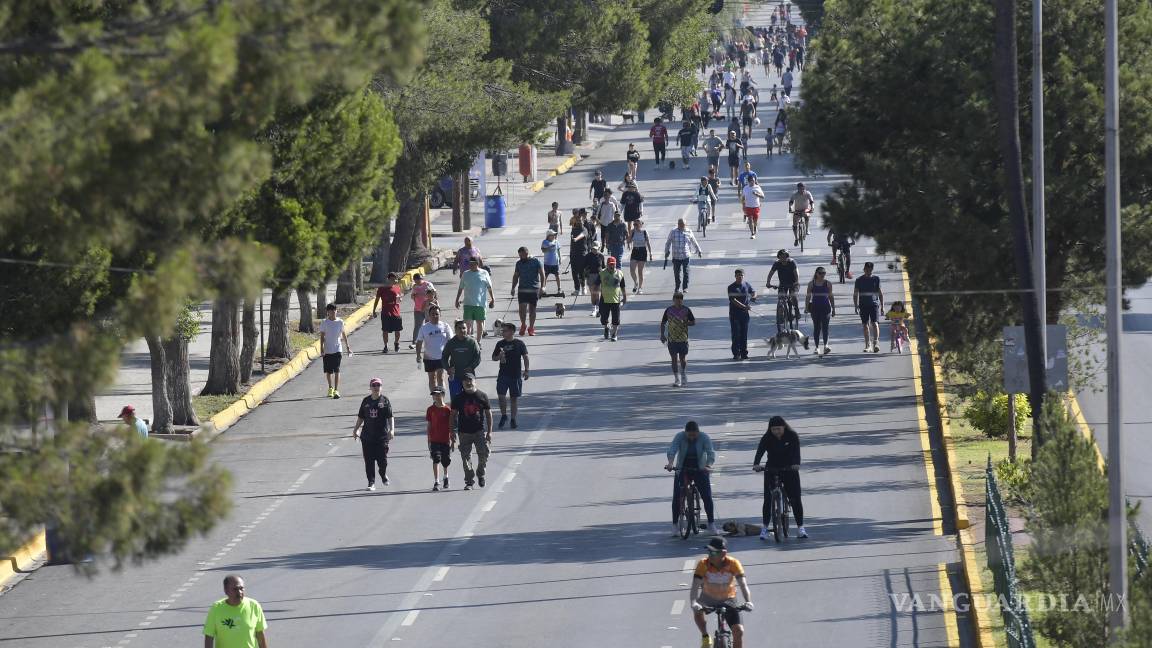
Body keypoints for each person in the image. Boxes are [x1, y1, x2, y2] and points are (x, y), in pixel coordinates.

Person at [689, 537, 754, 648]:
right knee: (697, 610)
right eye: (708, 551)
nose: (709, 554)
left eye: (713, 552)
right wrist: (694, 602)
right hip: (707, 598)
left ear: (723, 553)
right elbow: (695, 586)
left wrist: (748, 601)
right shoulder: (703, 564)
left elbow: (743, 585)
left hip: (729, 599)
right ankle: (705, 637)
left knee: (739, 631)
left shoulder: (733, 563)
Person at [753, 415, 807, 539]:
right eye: (773, 429)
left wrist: (796, 464)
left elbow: (796, 452)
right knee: (767, 499)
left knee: (795, 498)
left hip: (789, 469)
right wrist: (756, 464)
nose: (776, 432)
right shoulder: (767, 438)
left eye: (778, 429)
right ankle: (765, 528)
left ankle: (800, 528)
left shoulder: (792, 436)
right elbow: (760, 451)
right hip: (771, 468)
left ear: (784, 427)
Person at [665, 421, 718, 536]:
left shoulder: (704, 437)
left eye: (694, 435)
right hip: (683, 467)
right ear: (685, 433)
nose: (692, 437)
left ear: (698, 432)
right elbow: (672, 450)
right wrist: (670, 463)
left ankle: (711, 523)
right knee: (678, 495)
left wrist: (708, 465)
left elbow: (710, 452)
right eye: (690, 435)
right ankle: (675, 525)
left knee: (707, 495)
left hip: (700, 467)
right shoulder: (679, 436)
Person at [451, 373, 492, 490]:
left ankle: (481, 473)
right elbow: (452, 415)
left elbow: (489, 415)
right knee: (465, 458)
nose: (468, 383)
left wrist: (489, 432)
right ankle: (469, 481)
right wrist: (452, 432)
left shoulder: (482, 396)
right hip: (464, 433)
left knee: (484, 454)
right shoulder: (458, 398)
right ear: (462, 384)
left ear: (475, 381)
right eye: (465, 381)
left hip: (479, 431)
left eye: (470, 380)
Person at [351, 377, 394, 490]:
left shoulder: (385, 401)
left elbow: (390, 417)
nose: (376, 388)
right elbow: (361, 417)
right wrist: (355, 429)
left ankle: (383, 474)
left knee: (382, 460)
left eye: (378, 385)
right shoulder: (366, 401)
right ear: (370, 388)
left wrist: (392, 429)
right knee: (369, 461)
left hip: (382, 437)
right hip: (367, 437)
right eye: (374, 385)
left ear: (381, 387)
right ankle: (371, 482)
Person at [203, 575, 268, 648]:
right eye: (235, 589)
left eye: (241, 588)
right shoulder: (216, 608)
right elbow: (209, 636)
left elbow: (260, 635)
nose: (239, 592)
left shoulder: (254, 606)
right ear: (226, 590)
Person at [491, 322, 530, 429]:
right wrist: (500, 356)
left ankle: (513, 419)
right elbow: (494, 358)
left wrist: (526, 370)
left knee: (513, 398)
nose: (502, 332)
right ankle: (504, 415)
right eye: (502, 330)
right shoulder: (500, 344)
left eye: (505, 330)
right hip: (503, 374)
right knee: (501, 396)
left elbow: (525, 357)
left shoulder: (519, 343)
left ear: (512, 331)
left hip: (515, 375)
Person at [660, 293, 696, 387]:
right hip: (672, 339)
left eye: (680, 299)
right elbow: (663, 323)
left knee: (682, 359)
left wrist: (686, 323)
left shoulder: (686, 310)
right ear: (673, 300)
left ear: (682, 300)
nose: (678, 301)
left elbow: (693, 322)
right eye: (676, 299)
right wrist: (662, 335)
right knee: (674, 359)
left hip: (683, 338)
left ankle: (683, 373)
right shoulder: (669, 310)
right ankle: (677, 379)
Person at [455, 257, 495, 340]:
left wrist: (492, 299)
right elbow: (461, 288)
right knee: (467, 325)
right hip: (468, 303)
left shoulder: (484, 273)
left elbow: (489, 287)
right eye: (470, 264)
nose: (471, 265)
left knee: (479, 323)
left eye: (473, 264)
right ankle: (468, 341)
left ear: (477, 264)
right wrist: (457, 299)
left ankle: (478, 341)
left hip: (480, 303)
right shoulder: (465, 274)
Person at [318, 303, 352, 399]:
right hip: (327, 350)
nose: (333, 312)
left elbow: (344, 334)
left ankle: (336, 390)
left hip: (338, 349)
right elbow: (322, 336)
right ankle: (330, 388)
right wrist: (321, 348)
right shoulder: (324, 322)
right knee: (328, 372)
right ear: (327, 312)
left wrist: (348, 347)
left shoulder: (340, 322)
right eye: (331, 310)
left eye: (335, 310)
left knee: (337, 369)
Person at [415, 305, 451, 392]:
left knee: (441, 378)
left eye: (437, 314)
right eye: (432, 314)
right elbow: (419, 342)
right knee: (432, 378)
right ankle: (435, 398)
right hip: (429, 357)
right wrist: (418, 355)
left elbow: (451, 341)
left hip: (442, 357)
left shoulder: (445, 326)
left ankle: (441, 396)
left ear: (440, 315)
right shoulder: (424, 328)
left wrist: (451, 354)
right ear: (429, 315)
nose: (435, 316)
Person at [510, 247, 544, 336]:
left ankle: (531, 328)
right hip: (522, 289)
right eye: (520, 255)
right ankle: (523, 324)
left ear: (527, 253)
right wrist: (513, 288)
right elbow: (516, 276)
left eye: (522, 255)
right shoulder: (519, 263)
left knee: (532, 310)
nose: (521, 257)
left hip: (534, 289)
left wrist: (543, 287)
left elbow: (542, 274)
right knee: (522, 310)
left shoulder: (536, 261)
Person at [664, 218, 704, 294]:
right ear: (678, 224)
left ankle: (685, 287)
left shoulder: (689, 232)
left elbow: (694, 241)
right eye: (680, 224)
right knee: (677, 273)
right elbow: (668, 242)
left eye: (683, 225)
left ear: (686, 225)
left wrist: (699, 251)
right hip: (676, 256)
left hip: (686, 255)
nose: (681, 226)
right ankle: (677, 287)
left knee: (686, 272)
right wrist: (666, 251)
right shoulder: (673, 232)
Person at [426, 387, 454, 491]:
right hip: (434, 439)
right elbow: (429, 425)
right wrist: (428, 439)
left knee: (445, 461)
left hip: (445, 439)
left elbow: (451, 425)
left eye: (438, 394)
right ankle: (436, 481)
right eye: (434, 395)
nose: (436, 397)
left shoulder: (448, 409)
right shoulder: (430, 409)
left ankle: (446, 477)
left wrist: (453, 440)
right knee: (436, 459)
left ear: (443, 395)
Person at [765, 250, 800, 333]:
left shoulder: (792, 262)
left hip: (793, 283)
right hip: (783, 284)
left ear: (787, 257)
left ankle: (797, 310)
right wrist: (768, 282)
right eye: (781, 257)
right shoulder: (777, 263)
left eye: (785, 256)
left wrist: (796, 281)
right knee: (781, 299)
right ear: (779, 257)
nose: (783, 258)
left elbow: (796, 273)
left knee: (793, 295)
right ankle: (781, 316)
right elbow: (771, 273)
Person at [853, 261, 884, 353]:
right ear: (864, 269)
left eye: (870, 270)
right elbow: (855, 294)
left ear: (872, 270)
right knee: (865, 325)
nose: (868, 271)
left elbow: (880, 293)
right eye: (866, 269)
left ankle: (876, 343)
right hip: (863, 305)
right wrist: (856, 306)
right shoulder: (859, 280)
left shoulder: (876, 279)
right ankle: (868, 345)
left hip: (874, 304)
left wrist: (882, 306)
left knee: (875, 323)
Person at [805, 267, 836, 355]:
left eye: (824, 273)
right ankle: (817, 347)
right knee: (817, 328)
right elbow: (808, 296)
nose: (822, 275)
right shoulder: (811, 284)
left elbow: (831, 297)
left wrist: (833, 309)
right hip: (815, 308)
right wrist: (806, 308)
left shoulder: (828, 283)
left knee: (825, 327)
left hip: (826, 308)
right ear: (816, 274)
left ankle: (826, 346)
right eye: (820, 273)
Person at [371, 272, 403, 354]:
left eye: (394, 279)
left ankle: (396, 343)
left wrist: (400, 299)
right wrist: (374, 310)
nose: (393, 281)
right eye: (391, 279)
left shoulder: (397, 288)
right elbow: (377, 299)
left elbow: (399, 299)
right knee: (385, 330)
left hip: (396, 312)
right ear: (387, 279)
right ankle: (385, 346)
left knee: (398, 330)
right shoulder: (382, 288)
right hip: (385, 312)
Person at [727, 269, 756, 360]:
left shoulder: (746, 285)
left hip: (745, 315)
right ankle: (736, 353)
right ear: (735, 276)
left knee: (744, 334)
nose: (740, 277)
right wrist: (744, 306)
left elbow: (753, 292)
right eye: (738, 275)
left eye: (741, 275)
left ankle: (744, 353)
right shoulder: (731, 287)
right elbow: (733, 300)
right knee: (736, 334)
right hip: (735, 314)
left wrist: (753, 297)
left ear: (744, 276)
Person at [598, 256, 627, 341]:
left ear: (615, 264)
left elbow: (623, 286)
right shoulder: (602, 273)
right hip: (604, 300)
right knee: (603, 319)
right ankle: (606, 327)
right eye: (610, 264)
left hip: (615, 300)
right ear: (607, 264)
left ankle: (614, 334)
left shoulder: (620, 273)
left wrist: (625, 297)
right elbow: (596, 285)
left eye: (613, 264)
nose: (612, 266)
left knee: (616, 319)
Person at [407, 273, 435, 349]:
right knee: (417, 326)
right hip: (418, 309)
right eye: (416, 280)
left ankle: (429, 342)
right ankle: (414, 342)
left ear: (421, 279)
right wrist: (414, 296)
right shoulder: (414, 287)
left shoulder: (428, 284)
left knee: (429, 326)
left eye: (419, 279)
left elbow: (434, 293)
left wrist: (434, 305)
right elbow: (412, 296)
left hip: (428, 309)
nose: (418, 281)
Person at [627, 219, 652, 294]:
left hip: (642, 251)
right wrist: (630, 234)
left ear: (641, 225)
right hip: (635, 251)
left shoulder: (644, 232)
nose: (635, 226)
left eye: (636, 225)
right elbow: (628, 241)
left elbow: (648, 243)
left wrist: (650, 254)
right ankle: (636, 283)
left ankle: (640, 288)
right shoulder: (633, 232)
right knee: (632, 270)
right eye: (634, 225)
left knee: (640, 271)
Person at [569, 213, 591, 295]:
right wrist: (570, 252)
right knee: (574, 272)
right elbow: (571, 241)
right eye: (578, 220)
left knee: (581, 272)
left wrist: (576, 239)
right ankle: (577, 289)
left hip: (582, 253)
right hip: (573, 253)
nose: (579, 222)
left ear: (583, 221)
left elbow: (582, 235)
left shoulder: (584, 229)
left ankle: (583, 287)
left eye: (581, 220)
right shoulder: (573, 229)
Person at [540, 230, 563, 295]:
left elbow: (558, 250)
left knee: (557, 275)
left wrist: (560, 258)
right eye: (552, 235)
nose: (554, 236)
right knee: (545, 276)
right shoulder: (545, 242)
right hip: (547, 262)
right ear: (548, 236)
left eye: (554, 235)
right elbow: (543, 250)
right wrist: (549, 247)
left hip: (555, 262)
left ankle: (559, 288)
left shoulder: (556, 241)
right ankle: (543, 288)